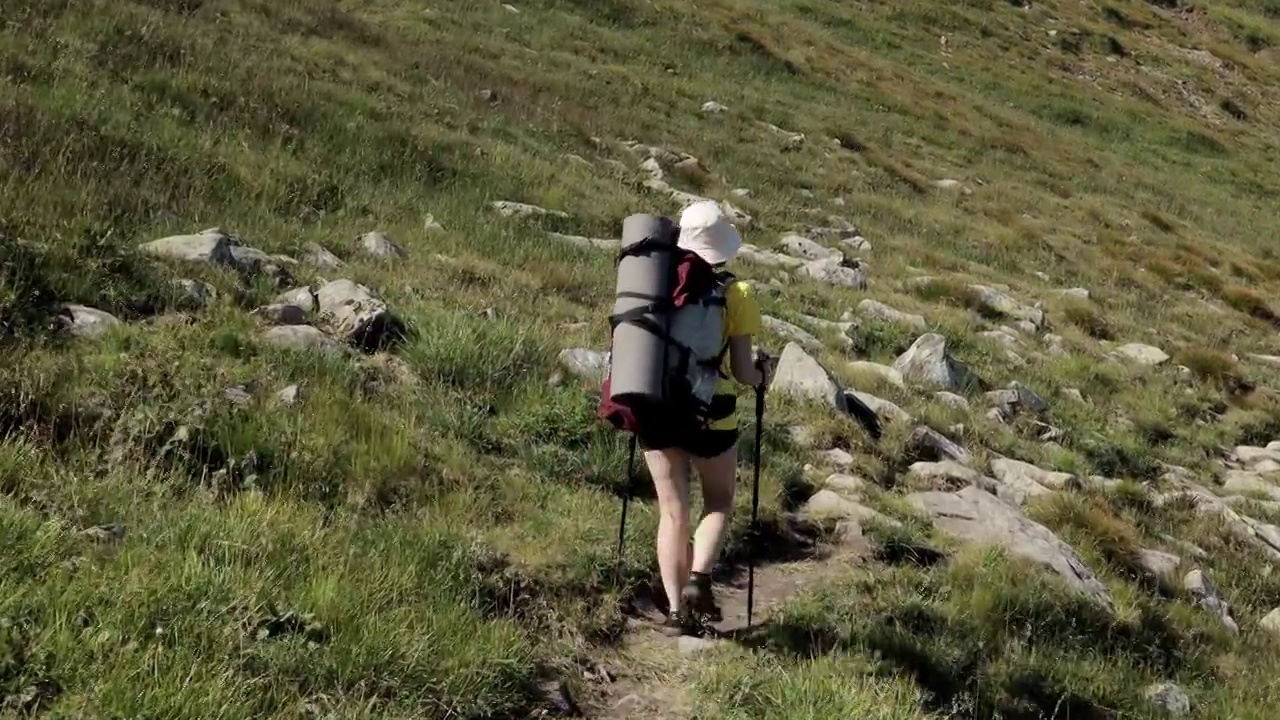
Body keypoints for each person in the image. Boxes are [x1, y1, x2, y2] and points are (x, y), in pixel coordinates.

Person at [639, 200, 768, 636]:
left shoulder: (653, 283)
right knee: (718, 501)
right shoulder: (737, 293)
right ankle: (699, 580)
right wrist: (763, 373)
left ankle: (676, 613)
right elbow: (743, 371)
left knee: (672, 512)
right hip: (712, 415)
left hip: (656, 408)